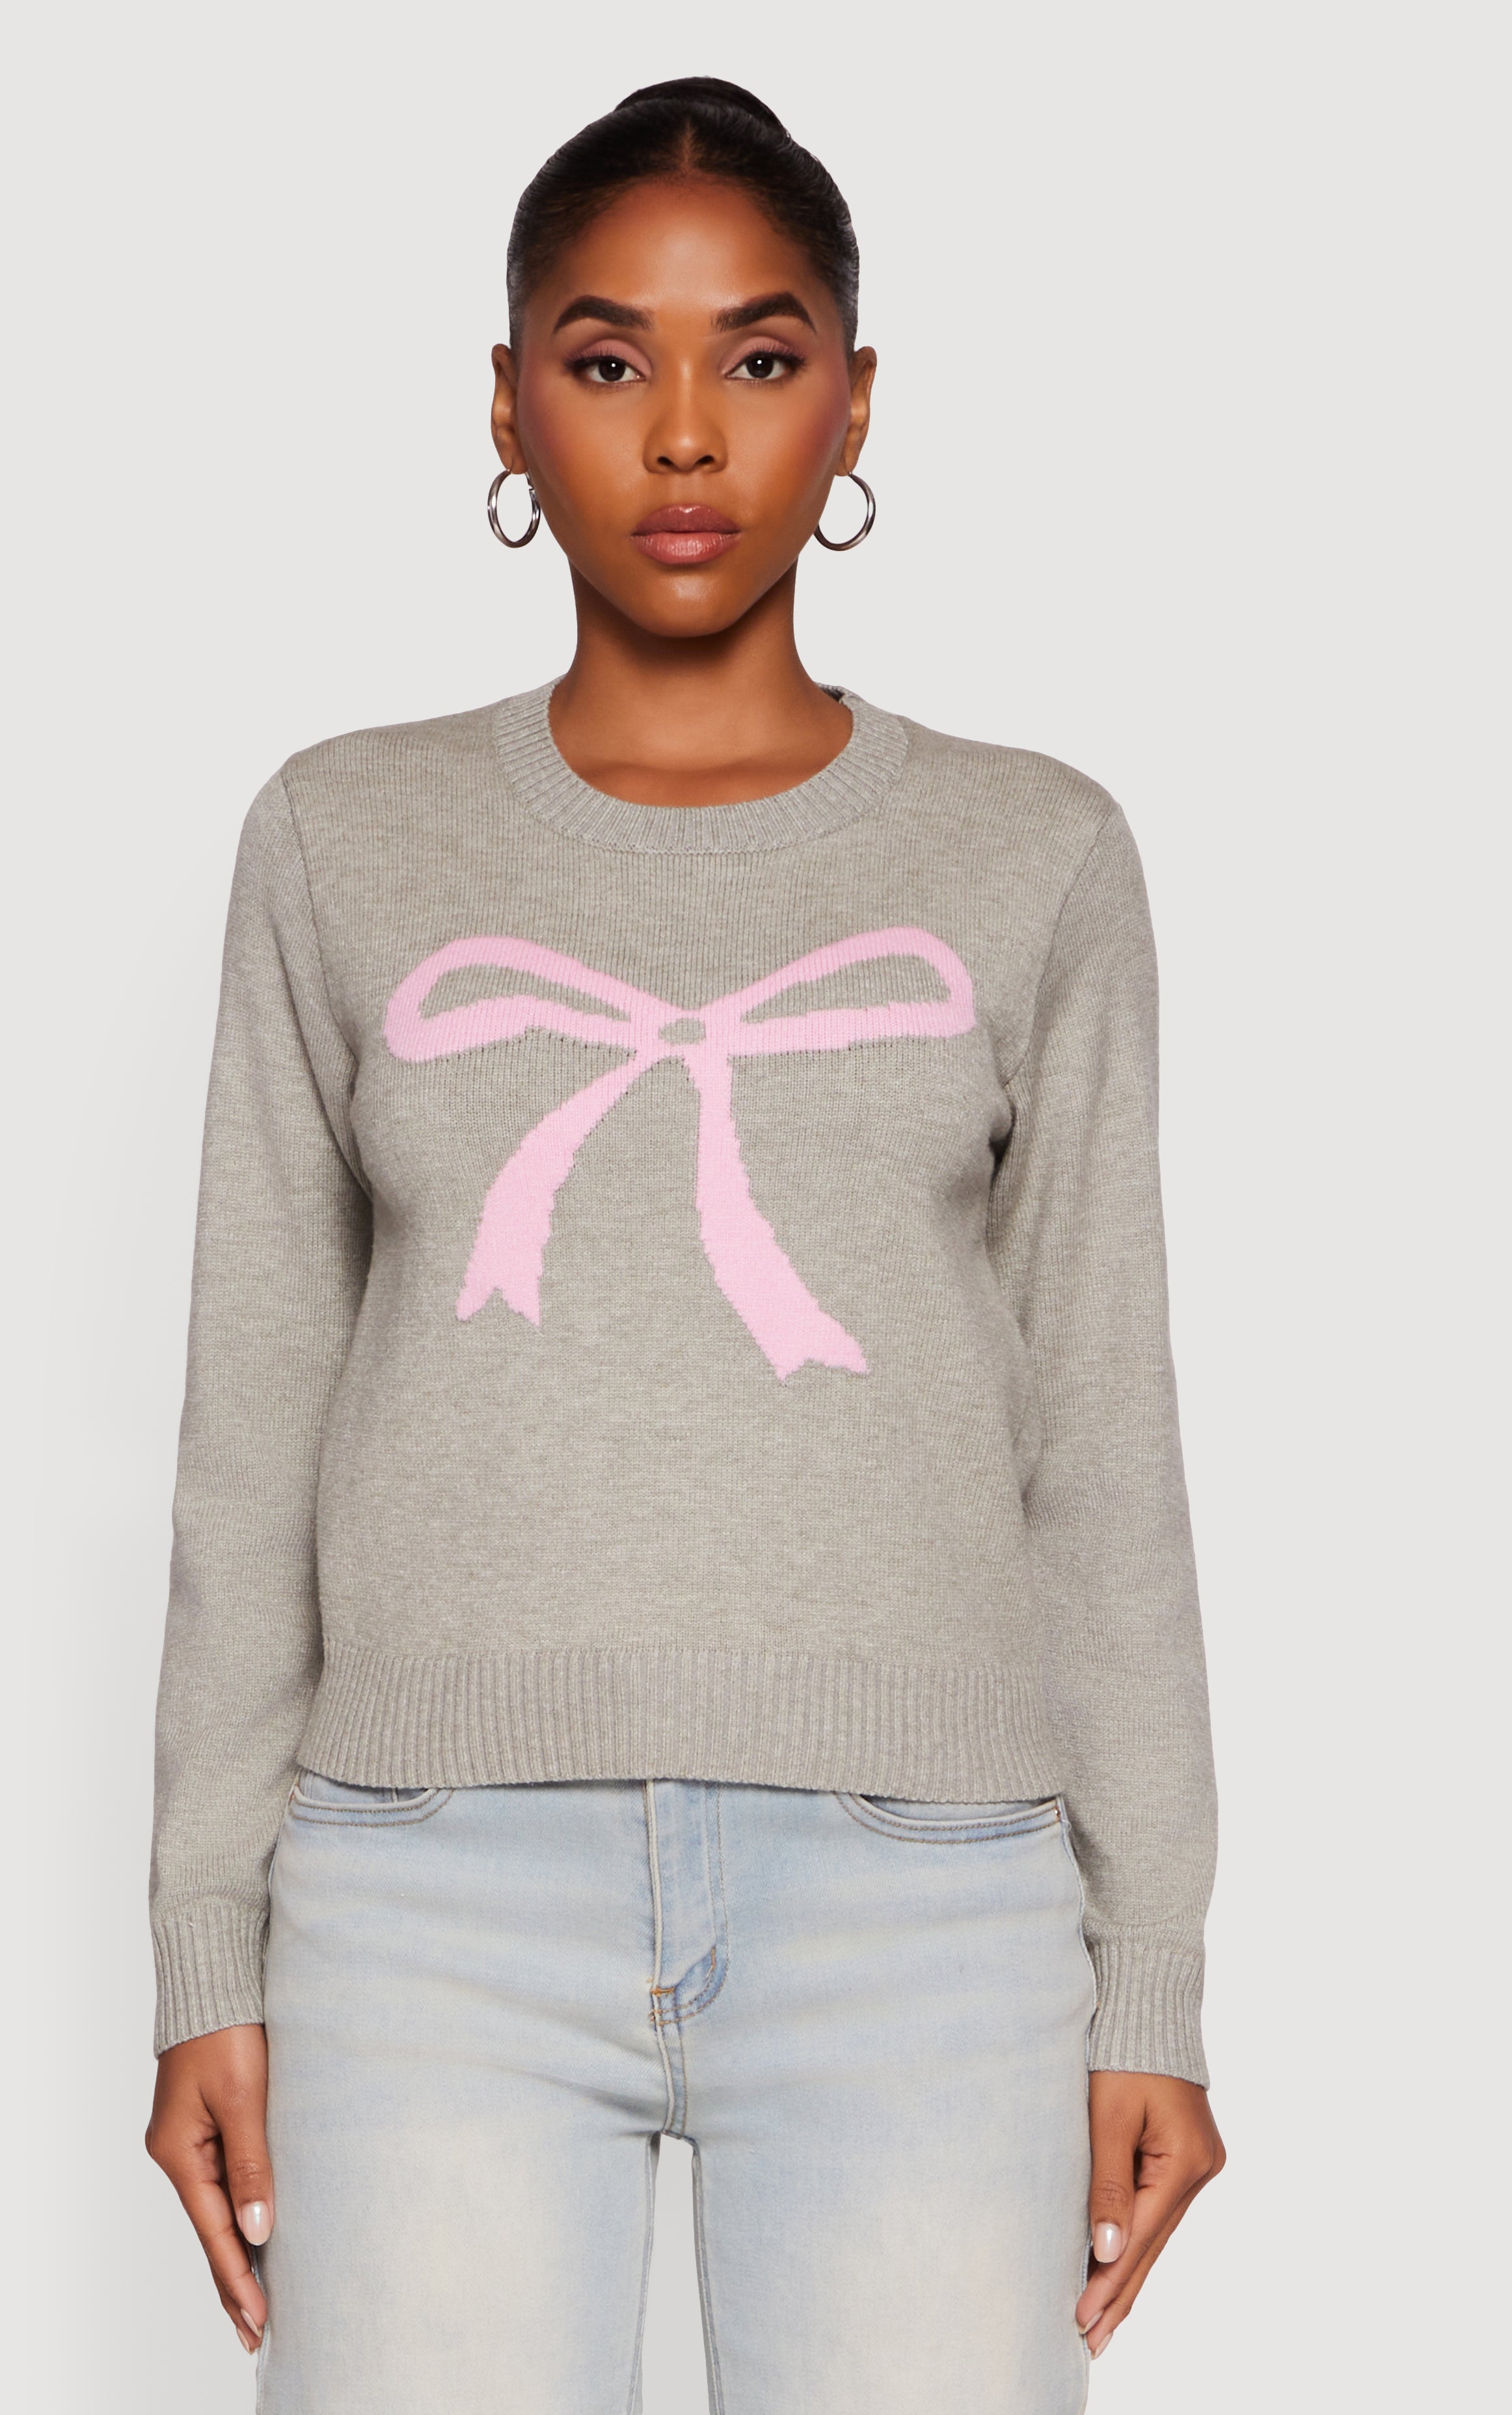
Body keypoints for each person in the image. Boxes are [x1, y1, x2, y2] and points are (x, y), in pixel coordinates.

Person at [144, 75, 1223, 2413]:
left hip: (929, 1905)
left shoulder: (1034, 853)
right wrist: (204, 1947)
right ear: (506, 407)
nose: (683, 433)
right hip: (420, 1900)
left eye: (757, 353)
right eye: (606, 356)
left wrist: (1150, 1977)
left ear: (854, 402)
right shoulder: (341, 836)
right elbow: (252, 1433)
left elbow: (1100, 1446)